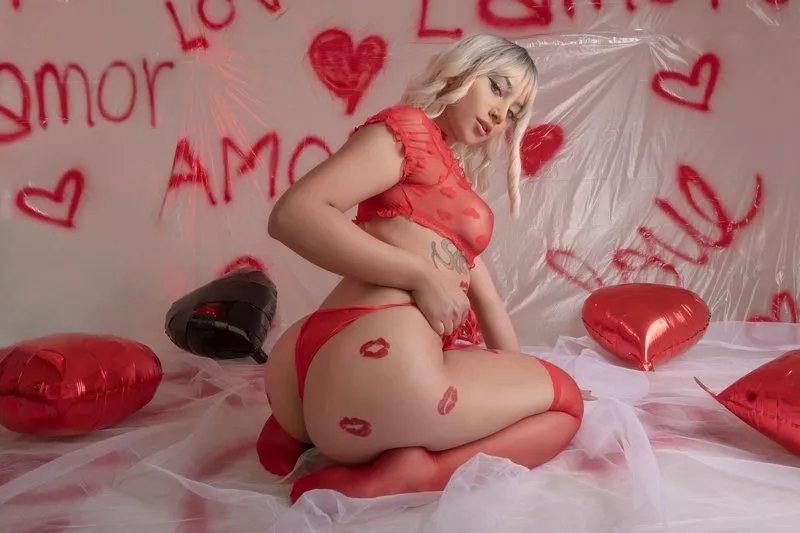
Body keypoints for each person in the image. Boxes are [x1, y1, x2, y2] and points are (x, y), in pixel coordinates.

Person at [258, 34, 585, 503]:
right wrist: (421, 276)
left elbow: (485, 295)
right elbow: (293, 215)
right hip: (377, 365)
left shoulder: (448, 179)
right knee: (567, 403)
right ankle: (422, 472)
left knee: (526, 382)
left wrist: (519, 376)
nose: (500, 116)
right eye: (497, 88)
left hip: (310, 368)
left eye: (514, 112)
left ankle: (299, 430)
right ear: (461, 71)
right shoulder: (408, 130)